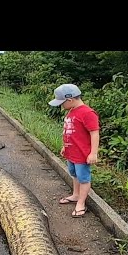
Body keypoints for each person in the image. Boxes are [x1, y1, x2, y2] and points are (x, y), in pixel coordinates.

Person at [48, 83, 99, 217]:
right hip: (72, 152)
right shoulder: (71, 111)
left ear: (70, 100)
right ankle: (76, 195)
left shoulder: (87, 113)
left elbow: (94, 133)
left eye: (61, 103)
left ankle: (81, 203)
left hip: (82, 154)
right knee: (74, 174)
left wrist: (93, 153)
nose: (61, 106)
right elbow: (70, 131)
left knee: (83, 178)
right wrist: (65, 146)